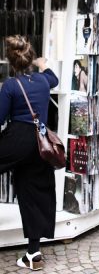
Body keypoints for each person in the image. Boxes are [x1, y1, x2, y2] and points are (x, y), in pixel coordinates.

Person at [0, 35, 59, 271]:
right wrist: (42, 65)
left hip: (19, 139)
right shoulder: (44, 81)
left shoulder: (11, 86)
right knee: (32, 194)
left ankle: (33, 254)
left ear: (10, 61)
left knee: (27, 191)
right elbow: (52, 77)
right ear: (30, 58)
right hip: (40, 144)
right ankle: (33, 254)